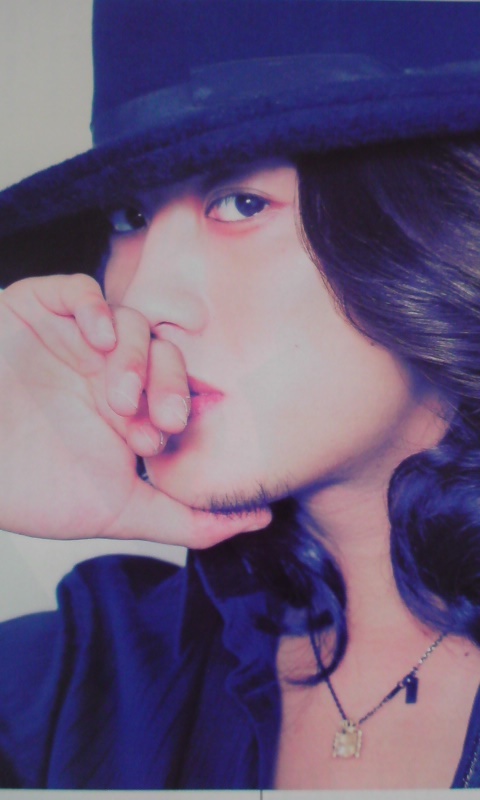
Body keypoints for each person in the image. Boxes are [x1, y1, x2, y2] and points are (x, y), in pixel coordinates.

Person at [1, 0, 480, 790]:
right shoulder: (84, 684)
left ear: (431, 226)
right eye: (130, 215)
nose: (145, 297)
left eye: (242, 203)